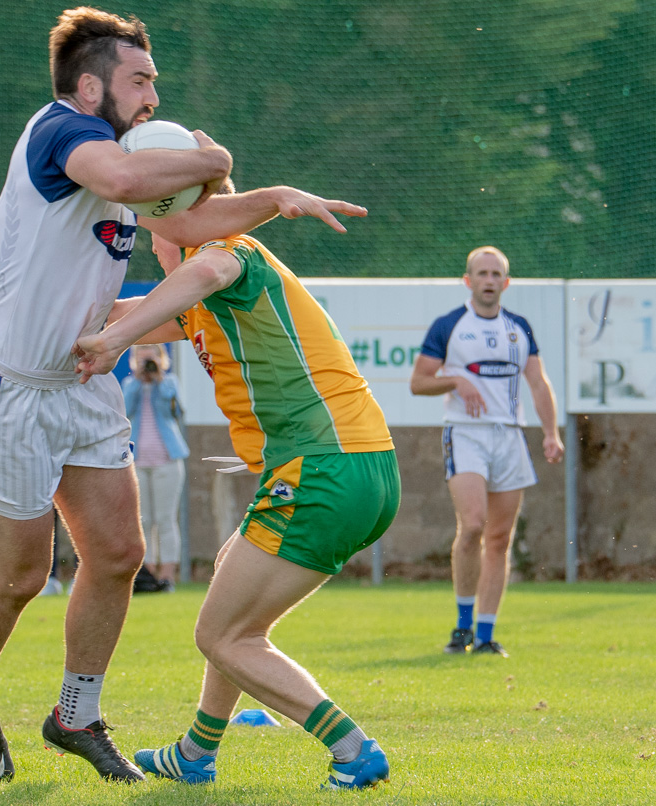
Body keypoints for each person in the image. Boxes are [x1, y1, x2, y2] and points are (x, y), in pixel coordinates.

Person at [0, 5, 366, 784]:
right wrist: (221, 156)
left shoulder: (125, 152)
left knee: (118, 555)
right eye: (140, 80)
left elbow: (196, 217)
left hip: (85, 383)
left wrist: (273, 196)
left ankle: (77, 713)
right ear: (88, 83)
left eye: (154, 82)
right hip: (11, 390)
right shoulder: (62, 134)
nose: (152, 96)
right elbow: (130, 181)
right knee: (18, 577)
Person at [73, 201, 399, 790]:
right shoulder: (200, 299)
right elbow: (123, 312)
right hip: (357, 466)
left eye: (156, 228)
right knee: (229, 586)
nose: (154, 245)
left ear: (185, 222)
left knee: (222, 636)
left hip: (324, 470)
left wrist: (114, 339)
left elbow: (205, 272)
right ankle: (196, 753)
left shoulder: (226, 252)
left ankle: (353, 750)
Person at [409, 246, 564, 657]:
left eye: (497, 274)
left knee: (499, 537)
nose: (490, 280)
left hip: (510, 435)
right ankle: (461, 627)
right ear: (469, 281)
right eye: (482, 273)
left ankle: (486, 634)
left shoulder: (519, 328)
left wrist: (551, 433)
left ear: (506, 282)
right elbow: (419, 382)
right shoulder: (450, 325)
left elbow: (537, 383)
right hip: (465, 433)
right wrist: (456, 380)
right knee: (474, 525)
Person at [122, 344, 188, 591]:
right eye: (142, 352)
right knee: (144, 519)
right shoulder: (131, 385)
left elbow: (174, 411)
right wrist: (140, 381)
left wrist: (159, 380)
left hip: (167, 460)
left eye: (151, 352)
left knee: (166, 519)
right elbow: (125, 411)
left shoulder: (169, 382)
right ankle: (147, 575)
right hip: (138, 461)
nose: (146, 357)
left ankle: (167, 576)